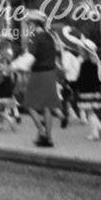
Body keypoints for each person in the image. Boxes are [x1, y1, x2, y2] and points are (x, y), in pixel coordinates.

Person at [23, 10, 61, 147]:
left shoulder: (34, 37)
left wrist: (17, 66)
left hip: (38, 73)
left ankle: (41, 130)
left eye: (28, 23)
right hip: (51, 72)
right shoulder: (49, 36)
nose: (28, 26)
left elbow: (31, 57)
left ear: (34, 23)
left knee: (30, 104)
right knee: (47, 107)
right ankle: (48, 139)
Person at [68, 34, 101, 141]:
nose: (79, 51)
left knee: (89, 113)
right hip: (95, 91)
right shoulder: (97, 63)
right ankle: (99, 128)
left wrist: (71, 85)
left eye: (81, 50)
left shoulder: (85, 64)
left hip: (86, 92)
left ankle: (95, 133)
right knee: (91, 112)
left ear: (86, 51)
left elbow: (81, 79)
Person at [0, 39, 20, 129]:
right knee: (5, 104)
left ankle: (9, 119)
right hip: (8, 81)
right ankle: (1, 124)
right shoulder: (9, 57)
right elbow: (12, 70)